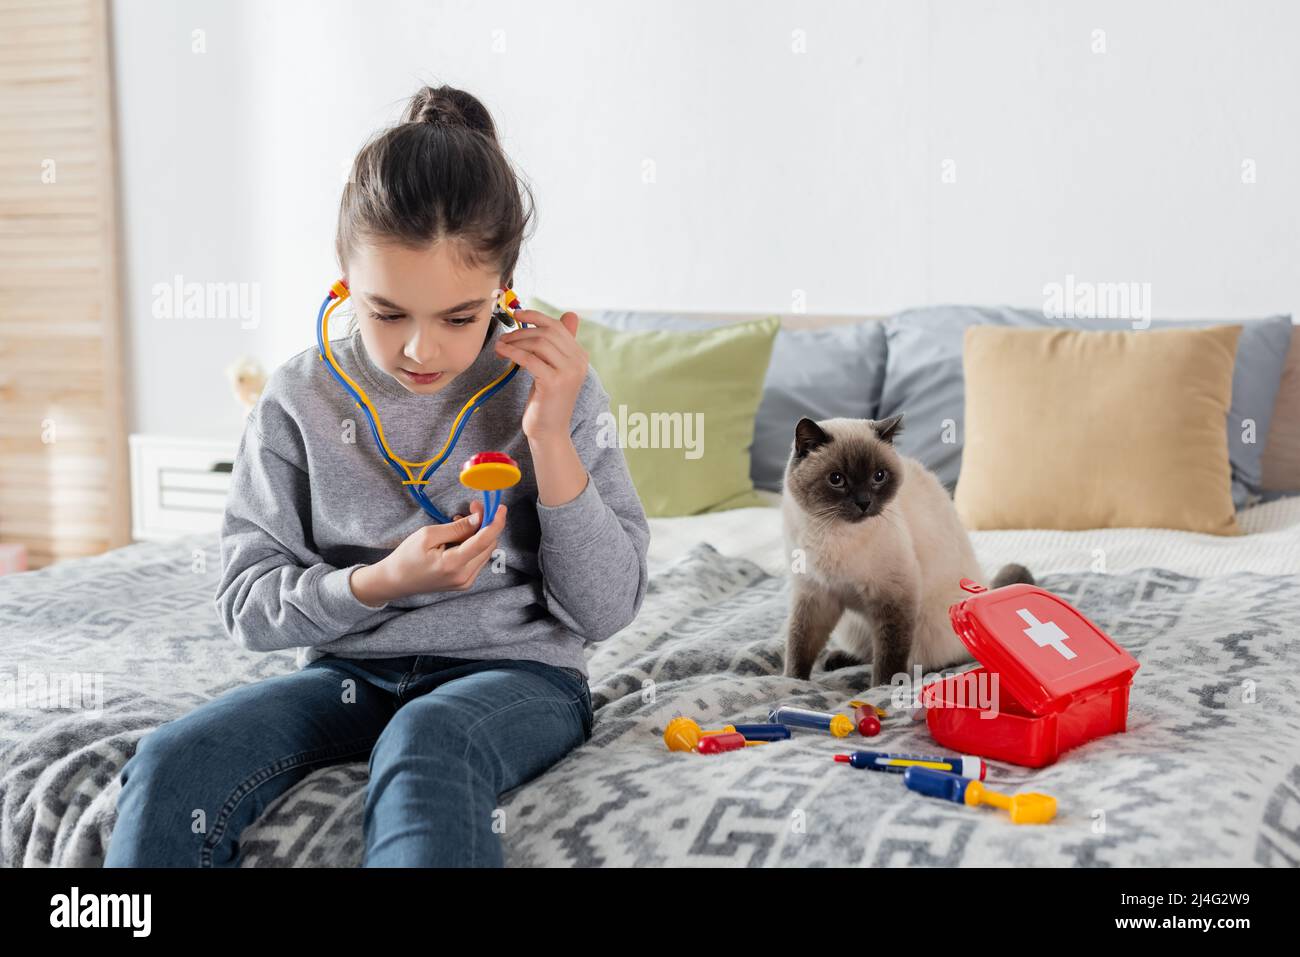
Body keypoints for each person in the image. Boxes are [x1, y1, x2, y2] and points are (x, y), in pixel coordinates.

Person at [104, 84, 649, 868]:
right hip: (350, 672)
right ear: (342, 272)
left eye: (459, 318)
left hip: (518, 676)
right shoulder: (298, 399)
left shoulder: (551, 387)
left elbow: (604, 609)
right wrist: (377, 584)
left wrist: (550, 438)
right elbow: (245, 607)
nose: (421, 350)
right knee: (168, 761)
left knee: (428, 739)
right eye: (387, 312)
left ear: (504, 287)